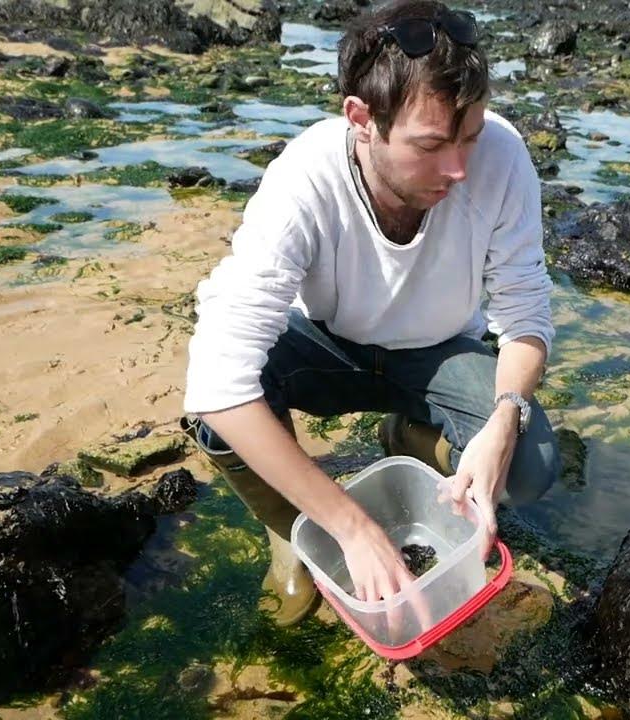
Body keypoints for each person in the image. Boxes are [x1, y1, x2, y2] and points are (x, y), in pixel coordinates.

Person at [181, 0, 561, 627]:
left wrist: (505, 418)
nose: (460, 168)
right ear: (361, 118)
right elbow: (216, 385)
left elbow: (525, 314)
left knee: (531, 465)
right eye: (432, 145)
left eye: (470, 136)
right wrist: (349, 527)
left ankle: (406, 440)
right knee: (223, 422)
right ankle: (294, 532)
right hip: (323, 347)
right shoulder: (302, 182)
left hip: (437, 352)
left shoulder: (502, 155)